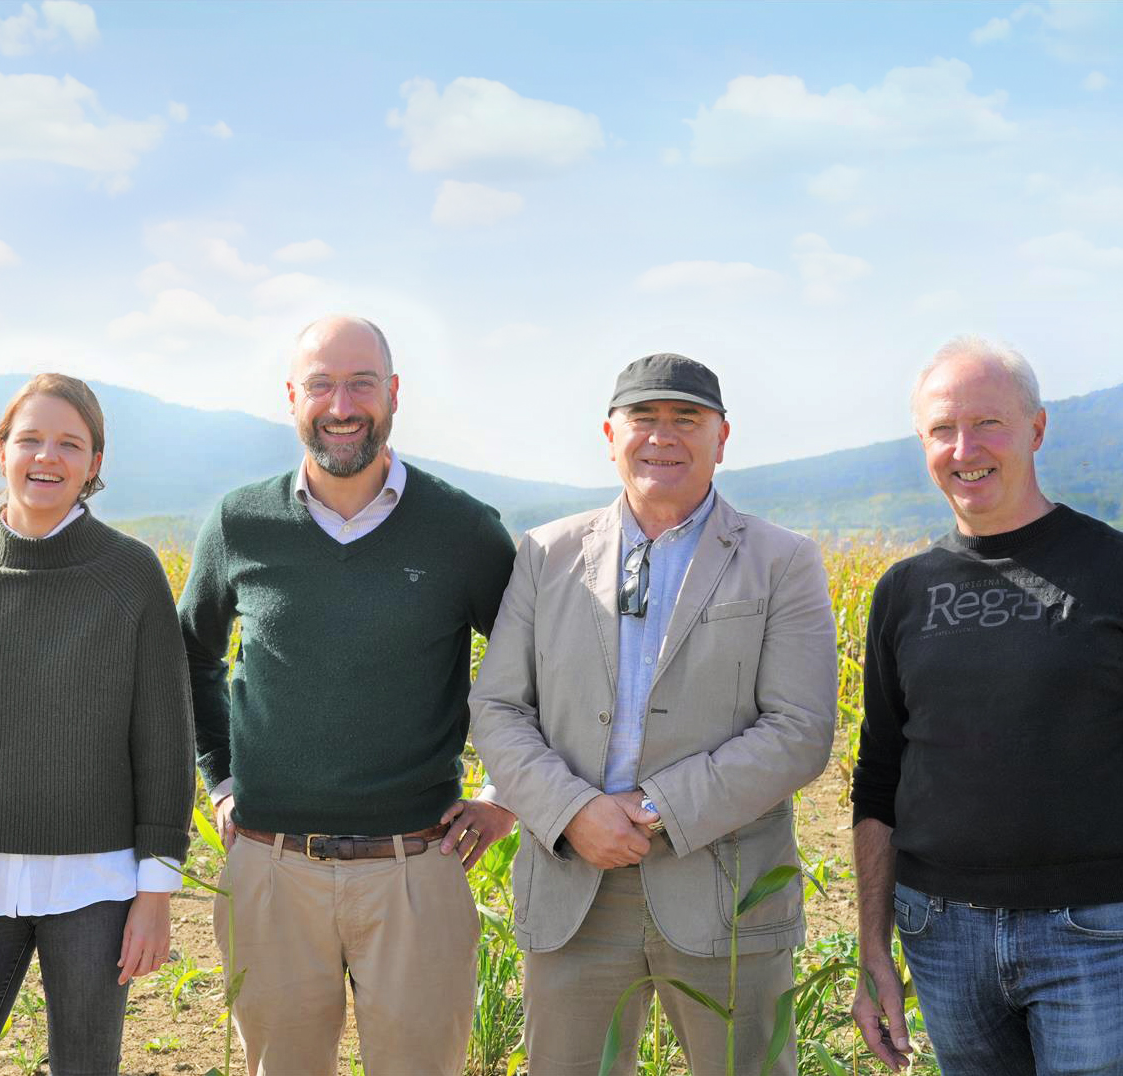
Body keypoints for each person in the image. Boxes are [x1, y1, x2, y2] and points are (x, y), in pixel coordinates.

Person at [470, 353, 837, 1075]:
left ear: (721, 438)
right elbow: (499, 706)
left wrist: (654, 809)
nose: (662, 436)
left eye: (685, 420)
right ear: (610, 434)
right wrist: (575, 811)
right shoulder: (546, 554)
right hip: (573, 887)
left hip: (726, 893)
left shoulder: (781, 560)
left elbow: (799, 731)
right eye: (644, 418)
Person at [177, 315, 519, 1075]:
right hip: (269, 869)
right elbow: (189, 656)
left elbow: (528, 667)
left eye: (361, 383)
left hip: (416, 869)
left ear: (392, 393)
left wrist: (503, 793)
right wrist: (222, 778)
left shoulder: (464, 531)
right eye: (322, 384)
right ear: (291, 397)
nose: (341, 404)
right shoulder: (239, 523)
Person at [0, 373, 194, 1076]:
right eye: (30, 439)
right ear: (1, 451)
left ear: (95, 464)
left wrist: (155, 896)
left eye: (68, 443)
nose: (46, 457)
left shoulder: (130, 575)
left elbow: (164, 742)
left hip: (97, 886)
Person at [850, 337, 1123, 1075]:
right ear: (922, 442)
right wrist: (874, 944)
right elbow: (877, 775)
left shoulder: (1110, 569)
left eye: (987, 424)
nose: (963, 448)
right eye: (942, 429)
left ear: (1035, 430)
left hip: (1093, 935)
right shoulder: (902, 590)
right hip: (938, 934)